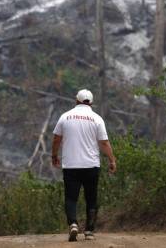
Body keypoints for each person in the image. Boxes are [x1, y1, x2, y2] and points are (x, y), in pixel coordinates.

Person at [51, 89, 116, 242]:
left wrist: (54, 156)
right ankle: (89, 231)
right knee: (91, 198)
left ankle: (73, 224)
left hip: (71, 165)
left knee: (71, 197)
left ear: (76, 100)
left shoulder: (65, 117)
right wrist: (112, 159)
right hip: (91, 166)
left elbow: (56, 139)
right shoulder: (97, 119)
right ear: (91, 103)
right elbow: (104, 143)